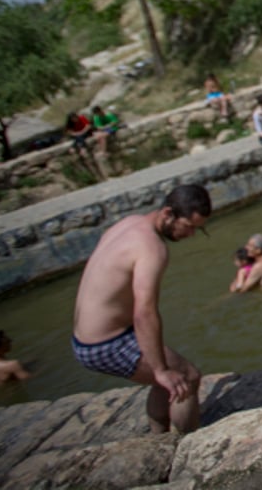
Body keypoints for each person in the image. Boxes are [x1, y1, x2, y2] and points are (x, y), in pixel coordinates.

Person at [71, 184, 212, 433]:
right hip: (106, 343)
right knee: (186, 377)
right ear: (168, 213)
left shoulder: (128, 223)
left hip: (85, 338)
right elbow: (144, 311)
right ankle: (190, 444)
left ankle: (159, 439)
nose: (190, 235)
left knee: (165, 379)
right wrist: (160, 369)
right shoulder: (152, 248)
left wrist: (161, 371)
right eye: (189, 227)